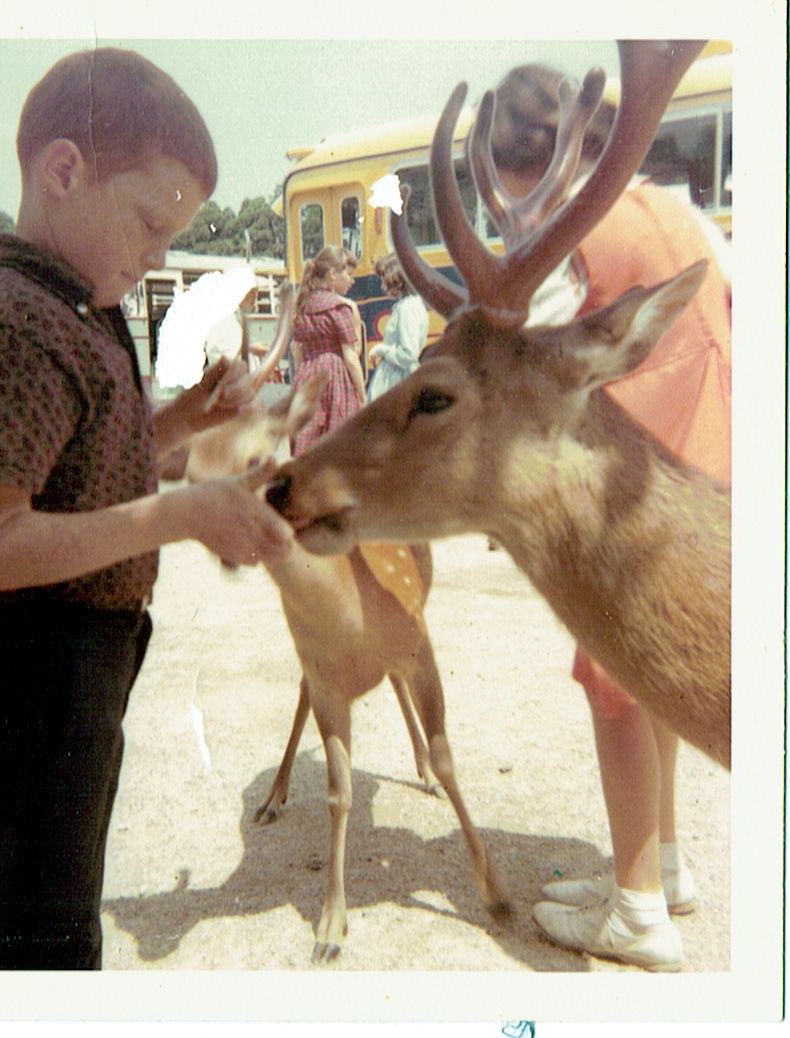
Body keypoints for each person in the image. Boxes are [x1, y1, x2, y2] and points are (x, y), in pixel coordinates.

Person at [0, 48, 294, 970]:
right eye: (149, 223)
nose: (159, 254)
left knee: (59, 931)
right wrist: (184, 515)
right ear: (63, 172)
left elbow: (88, 466)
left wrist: (184, 420)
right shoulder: (19, 325)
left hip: (68, 680)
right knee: (31, 954)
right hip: (22, 682)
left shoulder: (78, 309)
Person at [487, 64, 731, 972]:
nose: (519, 210)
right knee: (663, 666)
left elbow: (515, 365)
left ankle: (635, 912)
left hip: (638, 474)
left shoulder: (571, 237)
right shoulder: (677, 207)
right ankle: (663, 865)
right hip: (709, 460)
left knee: (618, 676)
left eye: (512, 189)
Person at [289, 245, 366, 455]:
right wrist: (362, 395)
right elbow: (350, 357)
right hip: (335, 379)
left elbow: (297, 352)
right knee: (337, 445)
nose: (352, 280)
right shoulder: (338, 307)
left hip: (306, 377)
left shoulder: (303, 304)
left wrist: (302, 376)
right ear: (332, 274)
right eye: (348, 274)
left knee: (306, 443)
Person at [366, 253, 428, 401]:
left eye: (383, 279)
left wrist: (381, 349)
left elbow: (408, 353)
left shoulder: (406, 308)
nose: (382, 285)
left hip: (397, 378)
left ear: (395, 278)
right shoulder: (413, 303)